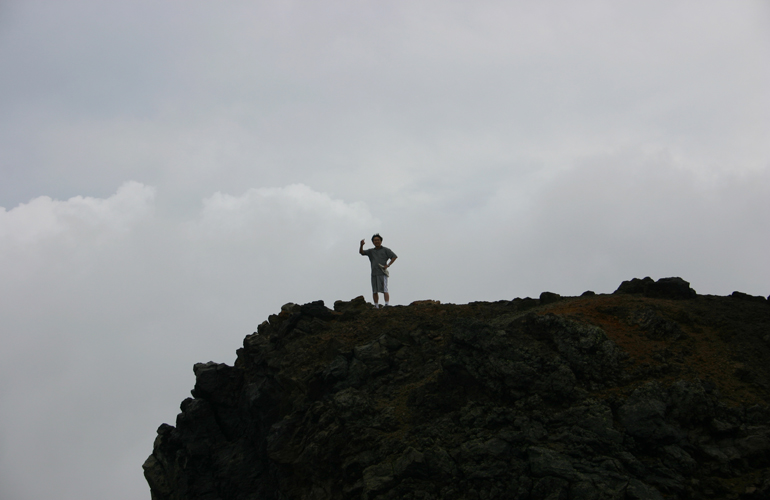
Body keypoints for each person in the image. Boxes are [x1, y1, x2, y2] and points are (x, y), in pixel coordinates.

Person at [359, 233, 398, 308]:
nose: (376, 241)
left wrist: (388, 265)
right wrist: (361, 245)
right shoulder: (371, 251)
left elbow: (394, 256)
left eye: (378, 240)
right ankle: (376, 305)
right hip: (374, 273)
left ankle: (386, 304)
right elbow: (362, 252)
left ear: (381, 241)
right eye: (375, 240)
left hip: (382, 272)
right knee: (374, 290)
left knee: (384, 289)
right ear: (373, 242)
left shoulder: (386, 250)